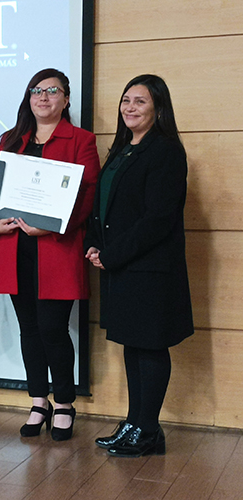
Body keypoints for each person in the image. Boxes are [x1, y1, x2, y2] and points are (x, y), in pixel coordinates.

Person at [0, 69, 100, 440]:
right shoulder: (11, 139)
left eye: (52, 91)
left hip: (56, 250)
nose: (43, 97)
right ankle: (38, 400)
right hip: (16, 249)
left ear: (66, 100)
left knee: (53, 329)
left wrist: (53, 226)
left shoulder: (81, 140)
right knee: (29, 329)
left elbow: (88, 195)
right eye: (36, 91)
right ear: (28, 98)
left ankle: (63, 401)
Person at [86, 74, 193, 457]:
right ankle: (136, 423)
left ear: (158, 108)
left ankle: (147, 430)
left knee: (149, 347)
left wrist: (112, 254)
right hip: (123, 268)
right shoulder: (121, 149)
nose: (130, 108)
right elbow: (105, 208)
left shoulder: (165, 151)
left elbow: (158, 219)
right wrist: (95, 244)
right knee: (133, 346)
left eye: (140, 102)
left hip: (149, 269)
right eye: (126, 100)